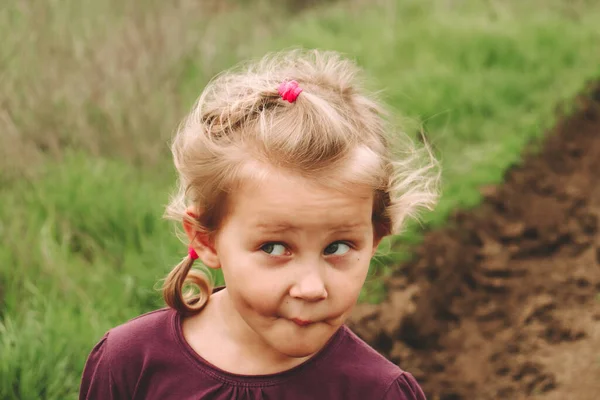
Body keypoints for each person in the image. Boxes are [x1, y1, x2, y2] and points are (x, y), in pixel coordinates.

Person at [79, 49, 439, 400]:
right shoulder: (129, 364)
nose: (311, 288)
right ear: (206, 238)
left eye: (338, 247)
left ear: (375, 240)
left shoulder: (379, 392)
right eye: (275, 247)